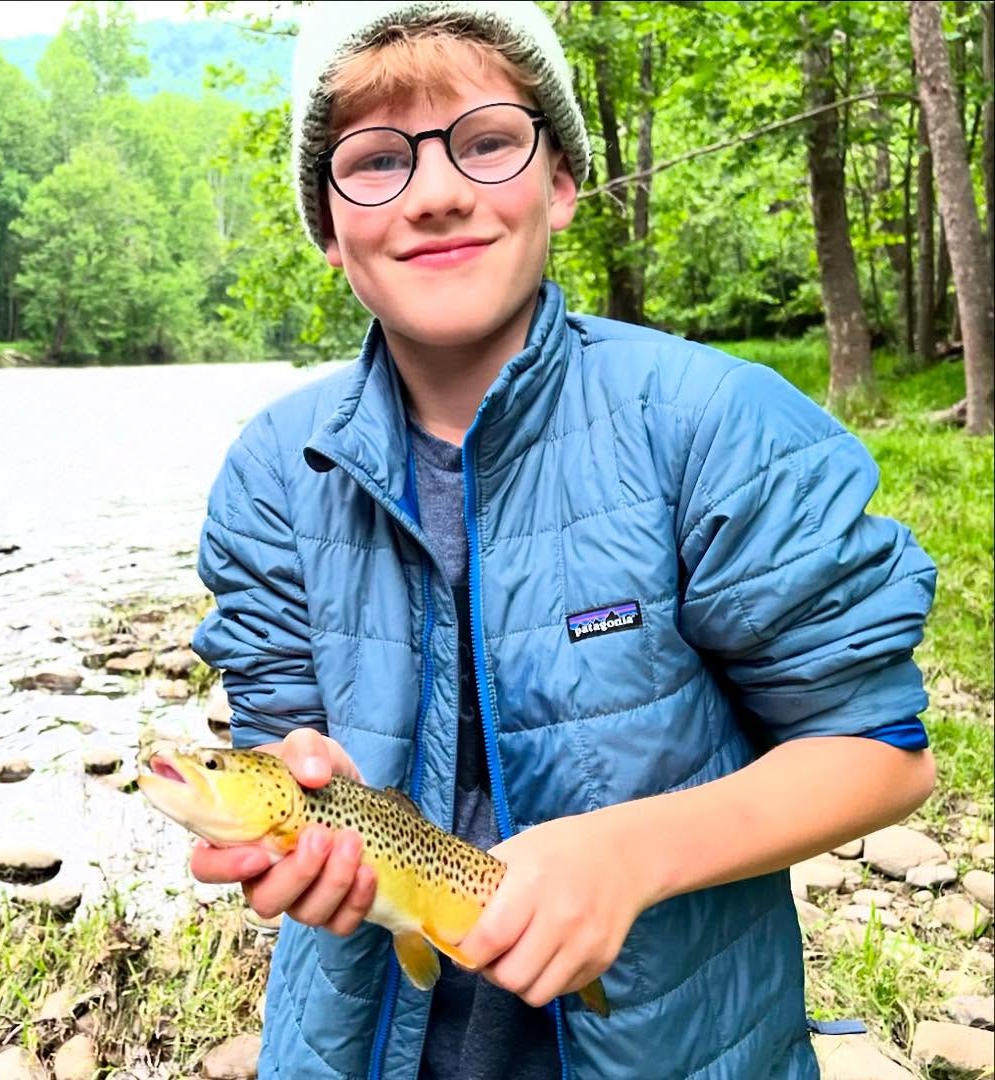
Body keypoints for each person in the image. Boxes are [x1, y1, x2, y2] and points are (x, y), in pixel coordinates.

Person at [186, 3, 938, 1077]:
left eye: (487, 141)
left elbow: (882, 755)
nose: (439, 193)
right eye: (375, 159)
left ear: (563, 181)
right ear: (325, 227)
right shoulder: (274, 468)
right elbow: (281, 736)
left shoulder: (713, 424)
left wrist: (633, 854)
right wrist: (293, 784)